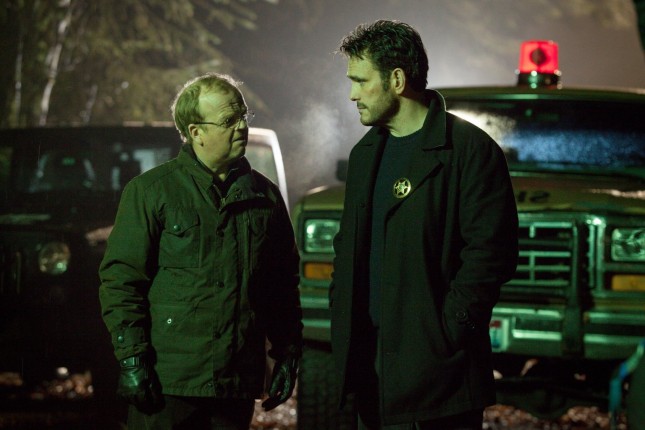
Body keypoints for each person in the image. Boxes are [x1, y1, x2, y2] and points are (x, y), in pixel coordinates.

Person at [330, 20, 519, 429]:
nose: (352, 94)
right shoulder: (365, 155)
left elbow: (492, 253)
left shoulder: (468, 150)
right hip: (372, 373)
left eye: (361, 81)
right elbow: (347, 248)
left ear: (397, 80)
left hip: (441, 381)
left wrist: (449, 330)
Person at [98, 72, 302, 430]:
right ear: (196, 132)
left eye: (244, 116)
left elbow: (282, 286)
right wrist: (132, 360)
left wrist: (287, 353)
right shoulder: (151, 192)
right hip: (168, 383)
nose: (242, 127)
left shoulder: (265, 198)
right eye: (229, 120)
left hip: (234, 384)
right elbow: (121, 282)